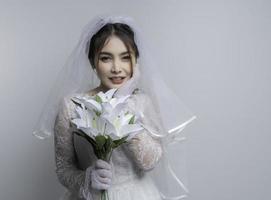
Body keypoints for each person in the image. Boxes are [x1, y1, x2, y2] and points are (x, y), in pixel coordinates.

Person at [33, 15, 197, 200]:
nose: (117, 68)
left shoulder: (142, 102)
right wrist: (86, 180)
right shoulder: (71, 105)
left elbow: (149, 162)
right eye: (106, 58)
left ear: (135, 61)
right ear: (93, 62)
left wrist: (122, 105)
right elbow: (64, 169)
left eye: (125, 58)